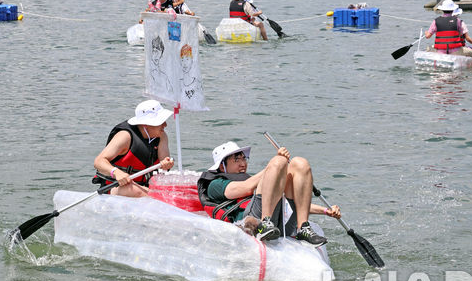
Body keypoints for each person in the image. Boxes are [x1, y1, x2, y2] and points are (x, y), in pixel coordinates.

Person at [197, 141, 340, 246]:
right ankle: (266, 223)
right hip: (253, 223)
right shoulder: (215, 184)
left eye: (243, 158)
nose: (243, 163)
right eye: (236, 160)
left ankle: (303, 228)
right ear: (222, 165)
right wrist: (275, 166)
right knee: (279, 161)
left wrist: (326, 211)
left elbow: (296, 203)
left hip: (280, 222)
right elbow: (246, 187)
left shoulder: (254, 178)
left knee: (299, 163)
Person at [93, 100, 175, 198]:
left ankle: (160, 197)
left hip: (145, 187)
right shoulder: (125, 136)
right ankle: (160, 198)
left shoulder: (162, 136)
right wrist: (116, 172)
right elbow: (98, 161)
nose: (165, 125)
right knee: (133, 190)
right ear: (146, 124)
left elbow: (164, 163)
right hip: (117, 187)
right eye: (161, 122)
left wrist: (166, 164)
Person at [425, 0, 472, 67]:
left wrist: (426, 33)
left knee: (428, 48)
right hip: (456, 51)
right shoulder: (459, 21)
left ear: (442, 10)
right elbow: (464, 36)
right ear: (453, 10)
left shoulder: (435, 21)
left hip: (440, 51)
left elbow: (428, 36)